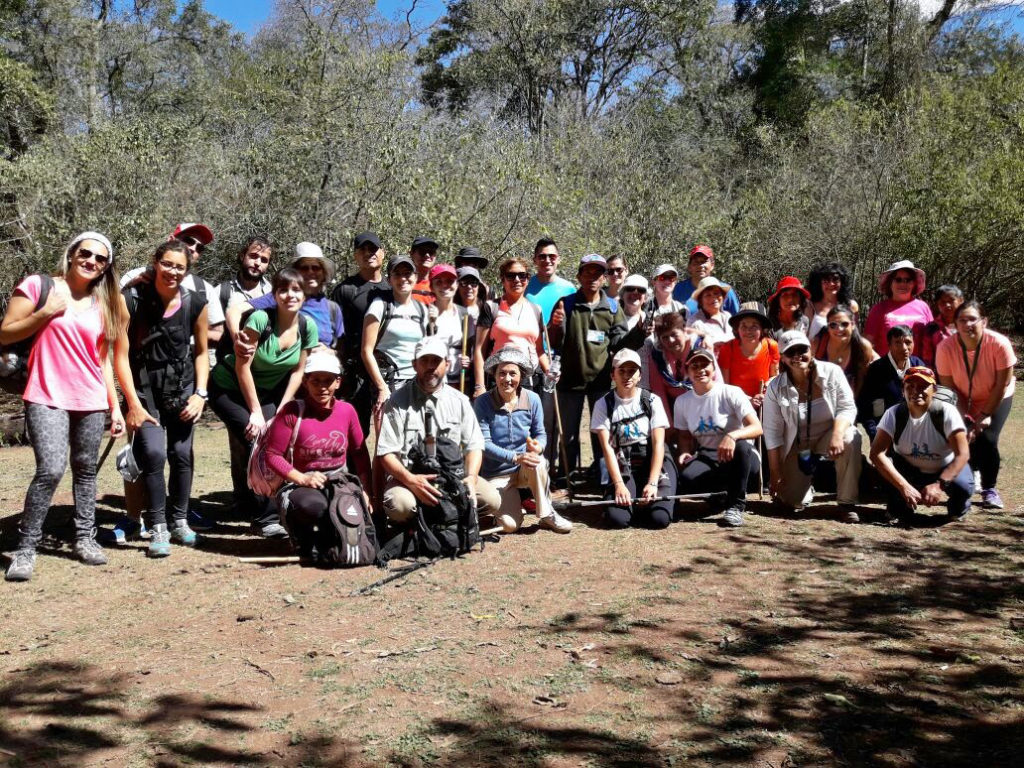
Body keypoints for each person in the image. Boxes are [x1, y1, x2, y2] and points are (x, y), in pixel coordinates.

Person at [2, 232, 130, 581]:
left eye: (100, 259)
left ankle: (84, 538)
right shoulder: (39, 287)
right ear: (72, 254)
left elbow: (103, 361)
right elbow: (5, 333)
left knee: (86, 471)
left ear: (106, 267)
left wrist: (115, 407)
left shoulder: (105, 304)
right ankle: (26, 548)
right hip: (46, 394)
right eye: (86, 253)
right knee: (51, 469)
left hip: (90, 399)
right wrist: (45, 313)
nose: (92, 261)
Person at [209, 267, 319, 538]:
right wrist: (257, 413)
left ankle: (275, 507)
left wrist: (282, 408)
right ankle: (264, 518)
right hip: (227, 388)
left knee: (279, 441)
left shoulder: (307, 326)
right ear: (275, 294)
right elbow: (242, 368)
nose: (290, 295)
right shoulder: (260, 319)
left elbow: (298, 371)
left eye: (296, 290)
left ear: (304, 295)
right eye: (283, 290)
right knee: (257, 439)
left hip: (267, 392)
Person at [120, 241, 210, 557]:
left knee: (182, 453)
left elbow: (201, 351)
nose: (173, 271)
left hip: (182, 387)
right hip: (144, 390)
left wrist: (201, 394)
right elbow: (118, 354)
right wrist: (131, 402)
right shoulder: (132, 299)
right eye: (167, 264)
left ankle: (180, 521)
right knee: (154, 453)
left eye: (180, 266)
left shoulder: (195, 302)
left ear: (187, 270)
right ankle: (157, 525)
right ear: (156, 262)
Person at [376, 336, 499, 526]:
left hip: (451, 477)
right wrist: (411, 480)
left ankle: (443, 517)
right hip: (409, 479)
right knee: (400, 506)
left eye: (436, 361)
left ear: (448, 364)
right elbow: (386, 454)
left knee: (492, 500)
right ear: (414, 364)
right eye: (424, 360)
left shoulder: (460, 401)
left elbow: (475, 445)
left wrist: (472, 478)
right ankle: (425, 521)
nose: (430, 366)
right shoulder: (396, 402)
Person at [267, 351, 372, 560]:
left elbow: (360, 454)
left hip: (339, 481)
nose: (322, 387)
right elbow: (272, 455)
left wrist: (366, 491)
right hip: (301, 484)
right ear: (306, 381)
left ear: (338, 382)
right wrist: (302, 478)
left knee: (354, 512)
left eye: (328, 381)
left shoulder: (347, 411)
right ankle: (300, 536)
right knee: (316, 506)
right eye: (315, 380)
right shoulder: (291, 411)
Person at [763, 331, 862, 522]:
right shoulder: (775, 387)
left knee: (851, 437)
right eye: (790, 352)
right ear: (782, 359)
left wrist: (837, 434)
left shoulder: (832, 373)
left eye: (802, 350)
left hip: (829, 434)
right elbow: (772, 433)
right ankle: (804, 487)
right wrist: (775, 474)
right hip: (799, 445)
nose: (797, 356)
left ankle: (847, 503)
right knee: (791, 501)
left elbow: (847, 407)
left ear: (811, 351)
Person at [473, 345, 571, 533]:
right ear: (494, 376)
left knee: (539, 462)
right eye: (502, 373)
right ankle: (507, 509)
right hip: (496, 474)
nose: (507, 379)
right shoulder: (482, 402)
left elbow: (541, 434)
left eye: (513, 374)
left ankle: (546, 514)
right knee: (510, 526)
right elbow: (484, 444)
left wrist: (538, 446)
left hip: (524, 468)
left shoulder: (533, 399)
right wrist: (515, 457)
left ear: (521, 376)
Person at [548, 254, 627, 479]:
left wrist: (640, 332)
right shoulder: (567, 303)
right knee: (569, 434)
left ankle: (602, 478)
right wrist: (555, 326)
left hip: (600, 383)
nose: (592, 277)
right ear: (579, 276)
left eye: (598, 273)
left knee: (601, 433)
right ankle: (566, 478)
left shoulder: (612, 307)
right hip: (569, 381)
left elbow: (619, 342)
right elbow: (553, 340)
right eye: (587, 272)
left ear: (604, 278)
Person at [935, 300, 1016, 509]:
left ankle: (990, 488)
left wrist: (985, 415)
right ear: (955, 324)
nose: (967, 324)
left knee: (987, 438)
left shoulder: (999, 344)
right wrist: (966, 419)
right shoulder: (945, 348)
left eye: (972, 319)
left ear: (984, 322)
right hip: (962, 397)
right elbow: (949, 388)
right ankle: (966, 485)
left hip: (997, 395)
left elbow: (1002, 383)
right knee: (964, 436)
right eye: (962, 320)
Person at [869, 366, 973, 525]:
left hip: (943, 467)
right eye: (910, 386)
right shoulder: (894, 414)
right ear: (903, 390)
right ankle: (898, 506)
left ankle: (959, 508)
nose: (915, 391)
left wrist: (939, 485)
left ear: (935, 390)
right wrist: (903, 486)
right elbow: (876, 453)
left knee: (963, 485)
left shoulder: (947, 412)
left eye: (923, 386)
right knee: (890, 492)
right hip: (908, 469)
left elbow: (963, 454)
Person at [674, 347, 763, 527]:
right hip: (708, 456)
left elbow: (757, 427)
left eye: (705, 365)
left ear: (713, 369)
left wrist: (732, 435)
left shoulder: (731, 392)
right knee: (687, 479)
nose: (700, 370)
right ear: (687, 371)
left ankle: (736, 505)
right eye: (694, 366)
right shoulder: (682, 401)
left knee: (742, 446)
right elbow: (684, 436)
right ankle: (720, 497)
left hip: (740, 456)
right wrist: (684, 451)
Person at [121, 223, 225, 369]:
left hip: (185, 377)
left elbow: (218, 334)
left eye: (200, 248)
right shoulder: (134, 277)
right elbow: (110, 318)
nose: (193, 248)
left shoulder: (204, 290)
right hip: (139, 374)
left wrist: (183, 334)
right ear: (171, 239)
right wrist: (130, 287)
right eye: (189, 240)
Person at [592, 349, 676, 529]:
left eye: (632, 371)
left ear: (640, 375)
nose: (627, 376)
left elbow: (659, 444)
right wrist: (619, 485)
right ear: (612, 375)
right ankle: (631, 500)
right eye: (621, 371)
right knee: (617, 519)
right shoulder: (602, 404)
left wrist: (653, 483)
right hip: (624, 465)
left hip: (654, 462)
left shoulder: (652, 400)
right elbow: (607, 449)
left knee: (660, 519)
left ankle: (654, 499)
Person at [227, 243, 344, 355]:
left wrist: (331, 352)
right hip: (289, 370)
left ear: (323, 273)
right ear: (295, 272)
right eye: (304, 268)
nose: (311, 272)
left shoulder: (332, 308)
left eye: (316, 268)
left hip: (323, 370)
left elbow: (342, 348)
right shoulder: (284, 298)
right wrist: (237, 338)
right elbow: (235, 310)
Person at [524, 237, 576, 474]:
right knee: (529, 417)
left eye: (551, 256)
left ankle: (552, 469)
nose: (547, 260)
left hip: (556, 361)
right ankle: (531, 468)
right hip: (528, 361)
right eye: (542, 256)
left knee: (552, 419)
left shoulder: (568, 289)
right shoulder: (525, 286)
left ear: (559, 259)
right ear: (535, 259)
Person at [330, 231, 389, 436]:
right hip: (355, 375)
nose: (368, 253)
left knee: (389, 432)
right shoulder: (345, 290)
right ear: (355, 256)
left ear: (383, 253)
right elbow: (336, 336)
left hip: (387, 373)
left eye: (373, 248)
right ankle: (355, 470)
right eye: (362, 249)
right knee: (356, 433)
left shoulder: (391, 289)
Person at [361, 255, 428, 427]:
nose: (403, 278)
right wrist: (381, 387)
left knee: (414, 446)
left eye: (407, 273)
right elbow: (366, 351)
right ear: (389, 279)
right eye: (397, 274)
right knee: (386, 448)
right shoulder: (380, 306)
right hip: (389, 386)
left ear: (415, 276)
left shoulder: (422, 310)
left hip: (417, 386)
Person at [472, 257, 550, 397]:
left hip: (530, 381)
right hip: (500, 379)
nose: (517, 279)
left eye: (522, 275)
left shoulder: (536, 310)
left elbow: (539, 350)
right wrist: (480, 386)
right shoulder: (491, 308)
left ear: (528, 279)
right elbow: (479, 350)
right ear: (503, 279)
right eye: (511, 275)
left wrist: (550, 372)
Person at [856, 325, 924, 439]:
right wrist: (875, 432)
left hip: (915, 431)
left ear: (914, 343)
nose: (904, 348)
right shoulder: (876, 370)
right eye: (897, 342)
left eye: (908, 342)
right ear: (889, 345)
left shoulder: (919, 366)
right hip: (884, 431)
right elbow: (865, 406)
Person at [864, 260, 933, 356]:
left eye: (908, 280)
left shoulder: (923, 307)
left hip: (919, 368)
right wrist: (878, 364)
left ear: (914, 283)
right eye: (898, 279)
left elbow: (932, 339)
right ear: (890, 283)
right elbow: (867, 343)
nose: (903, 284)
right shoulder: (879, 309)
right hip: (887, 369)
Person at [640, 311, 703, 416]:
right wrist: (670, 427)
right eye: (665, 337)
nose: (671, 340)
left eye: (674, 334)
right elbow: (659, 394)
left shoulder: (700, 347)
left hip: (704, 407)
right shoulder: (657, 357)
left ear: (684, 331)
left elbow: (715, 384)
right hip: (675, 411)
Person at [716, 302, 779, 408]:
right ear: (737, 329)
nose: (748, 331)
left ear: (762, 329)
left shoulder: (771, 346)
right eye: (744, 326)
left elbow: (774, 377)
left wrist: (765, 393)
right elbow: (725, 387)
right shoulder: (728, 349)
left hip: (764, 404)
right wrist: (748, 400)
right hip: (735, 405)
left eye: (754, 326)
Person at [427, 263, 474, 392]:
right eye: (439, 282)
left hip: (460, 382)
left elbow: (472, 348)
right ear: (431, 286)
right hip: (433, 381)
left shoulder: (464, 315)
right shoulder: (424, 314)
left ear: (457, 284)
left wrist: (469, 360)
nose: (445, 285)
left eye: (450, 281)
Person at [812, 305, 877, 397]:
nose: (839, 329)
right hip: (820, 399)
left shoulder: (862, 347)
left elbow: (860, 378)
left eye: (844, 324)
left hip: (848, 400)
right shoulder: (818, 343)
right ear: (828, 327)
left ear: (853, 325)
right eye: (833, 325)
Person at [673, 244, 741, 316]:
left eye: (704, 261)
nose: (700, 266)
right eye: (696, 262)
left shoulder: (726, 292)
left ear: (712, 265)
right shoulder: (677, 290)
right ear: (689, 267)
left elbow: (737, 321)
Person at [217, 236, 274, 312]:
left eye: (264, 260)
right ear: (242, 256)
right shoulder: (221, 292)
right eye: (253, 256)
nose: (258, 263)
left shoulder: (272, 293)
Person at [805, 262, 859, 341]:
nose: (831, 283)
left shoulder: (851, 305)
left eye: (835, 279)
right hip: (816, 352)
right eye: (826, 280)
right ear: (819, 283)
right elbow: (805, 335)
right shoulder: (810, 305)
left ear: (842, 282)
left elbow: (855, 335)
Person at [916, 285, 963, 370]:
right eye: (943, 302)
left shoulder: (970, 324)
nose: (947, 305)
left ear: (960, 301)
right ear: (937, 304)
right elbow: (927, 359)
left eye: (951, 300)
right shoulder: (932, 329)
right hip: (942, 376)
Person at [687, 276, 733, 349]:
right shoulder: (695, 322)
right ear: (700, 300)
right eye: (708, 295)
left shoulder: (727, 316)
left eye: (716, 293)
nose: (714, 298)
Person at [618, 274, 651, 351]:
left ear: (645, 298)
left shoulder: (653, 321)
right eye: (630, 288)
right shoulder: (612, 320)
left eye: (641, 290)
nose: (635, 292)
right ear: (622, 295)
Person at [409, 236, 439, 305]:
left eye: (431, 252)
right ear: (411, 254)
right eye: (422, 251)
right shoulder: (403, 283)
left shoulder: (441, 284)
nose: (427, 255)